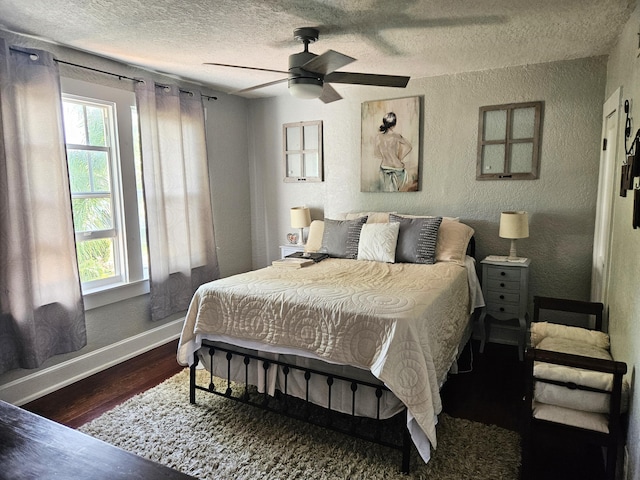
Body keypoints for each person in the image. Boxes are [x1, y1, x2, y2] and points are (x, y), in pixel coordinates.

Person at [375, 112, 413, 191]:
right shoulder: (396, 135)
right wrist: (399, 158)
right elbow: (409, 147)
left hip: (384, 167)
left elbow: (377, 153)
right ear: (394, 124)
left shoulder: (378, 137)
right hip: (398, 168)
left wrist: (385, 154)